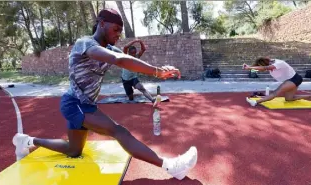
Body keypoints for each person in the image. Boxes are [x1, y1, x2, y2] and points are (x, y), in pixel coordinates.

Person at [12, 8, 197, 181]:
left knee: (73, 150)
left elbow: (127, 58)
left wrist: (160, 68)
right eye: (115, 29)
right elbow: (118, 59)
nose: (118, 34)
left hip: (85, 105)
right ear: (101, 23)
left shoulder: (110, 48)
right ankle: (171, 166)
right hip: (75, 104)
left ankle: (27, 141)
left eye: (120, 31)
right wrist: (157, 71)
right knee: (118, 131)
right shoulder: (85, 43)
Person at [243, 57, 311, 106]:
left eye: (260, 65)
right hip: (291, 80)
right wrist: (249, 68)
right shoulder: (269, 65)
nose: (261, 68)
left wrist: (249, 67)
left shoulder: (278, 63)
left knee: (275, 92)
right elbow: (261, 68)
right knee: (289, 99)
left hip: (294, 79)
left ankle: (256, 102)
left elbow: (264, 67)